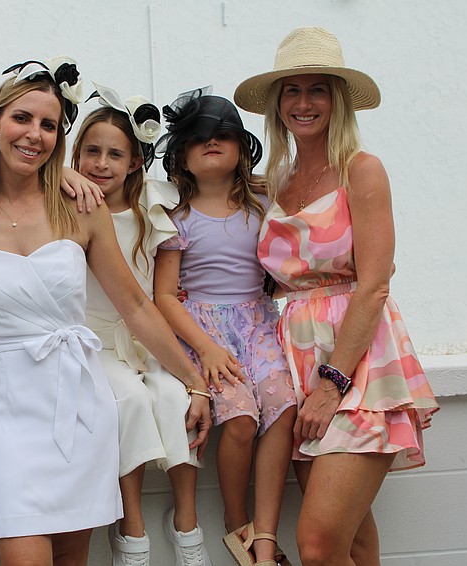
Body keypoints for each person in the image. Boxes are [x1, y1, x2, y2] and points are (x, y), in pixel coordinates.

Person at [0, 57, 213, 566]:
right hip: (7, 413)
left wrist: (193, 381)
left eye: (48, 125)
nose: (34, 134)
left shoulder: (81, 207)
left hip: (81, 402)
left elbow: (135, 305)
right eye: (22, 118)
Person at [234, 27, 439, 565]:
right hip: (299, 359)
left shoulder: (361, 171)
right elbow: (184, 186)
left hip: (357, 364)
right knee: (353, 543)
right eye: (292, 91)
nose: (304, 103)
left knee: (318, 544)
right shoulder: (274, 182)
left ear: (338, 100)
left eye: (317, 89)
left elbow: (373, 286)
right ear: (278, 105)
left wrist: (332, 384)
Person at [153, 89, 297, 566]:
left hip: (258, 321)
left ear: (241, 146)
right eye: (197, 139)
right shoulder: (177, 216)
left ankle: (267, 534)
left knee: (282, 405)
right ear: (181, 156)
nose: (210, 143)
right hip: (204, 331)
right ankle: (239, 527)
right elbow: (164, 296)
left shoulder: (263, 201)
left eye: (222, 135)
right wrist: (206, 349)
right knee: (238, 419)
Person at [71, 84, 213, 566]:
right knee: (127, 401)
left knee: (173, 398)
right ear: (76, 154)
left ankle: (187, 524)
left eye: (115, 154)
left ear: (135, 161)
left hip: (145, 338)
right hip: (95, 341)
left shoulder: (149, 205)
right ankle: (130, 527)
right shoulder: (67, 205)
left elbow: (150, 295)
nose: (102, 164)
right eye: (92, 151)